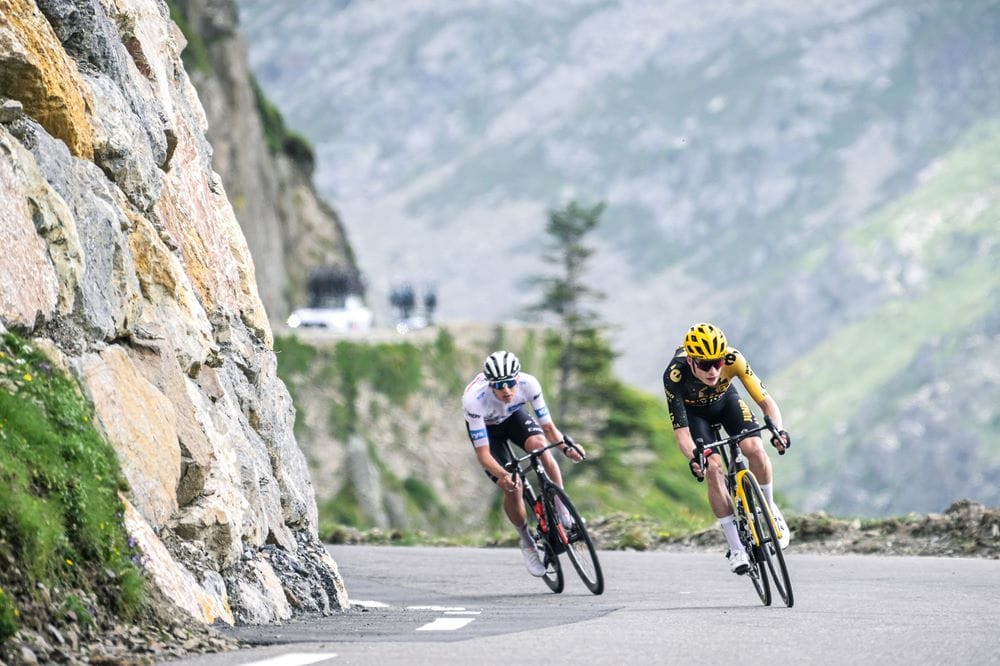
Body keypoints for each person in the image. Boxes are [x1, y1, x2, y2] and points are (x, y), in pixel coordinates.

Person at [662, 323, 791, 575]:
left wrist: (778, 430)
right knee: (713, 467)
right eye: (704, 364)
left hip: (726, 403)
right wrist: (695, 457)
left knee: (754, 447)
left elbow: (766, 402)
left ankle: (769, 508)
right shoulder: (674, 375)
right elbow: (682, 433)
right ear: (690, 361)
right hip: (695, 416)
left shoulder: (734, 359)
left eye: (717, 362)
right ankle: (736, 548)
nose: (712, 370)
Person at [462, 350, 584, 577]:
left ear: (518, 378)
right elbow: (483, 454)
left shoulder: (529, 384)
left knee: (542, 448)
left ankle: (561, 507)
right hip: (489, 433)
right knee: (514, 487)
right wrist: (503, 476)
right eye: (499, 386)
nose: (506, 390)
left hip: (513, 418)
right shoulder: (473, 400)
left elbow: (549, 429)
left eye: (510, 383)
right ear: (490, 385)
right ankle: (526, 541)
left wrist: (566, 448)